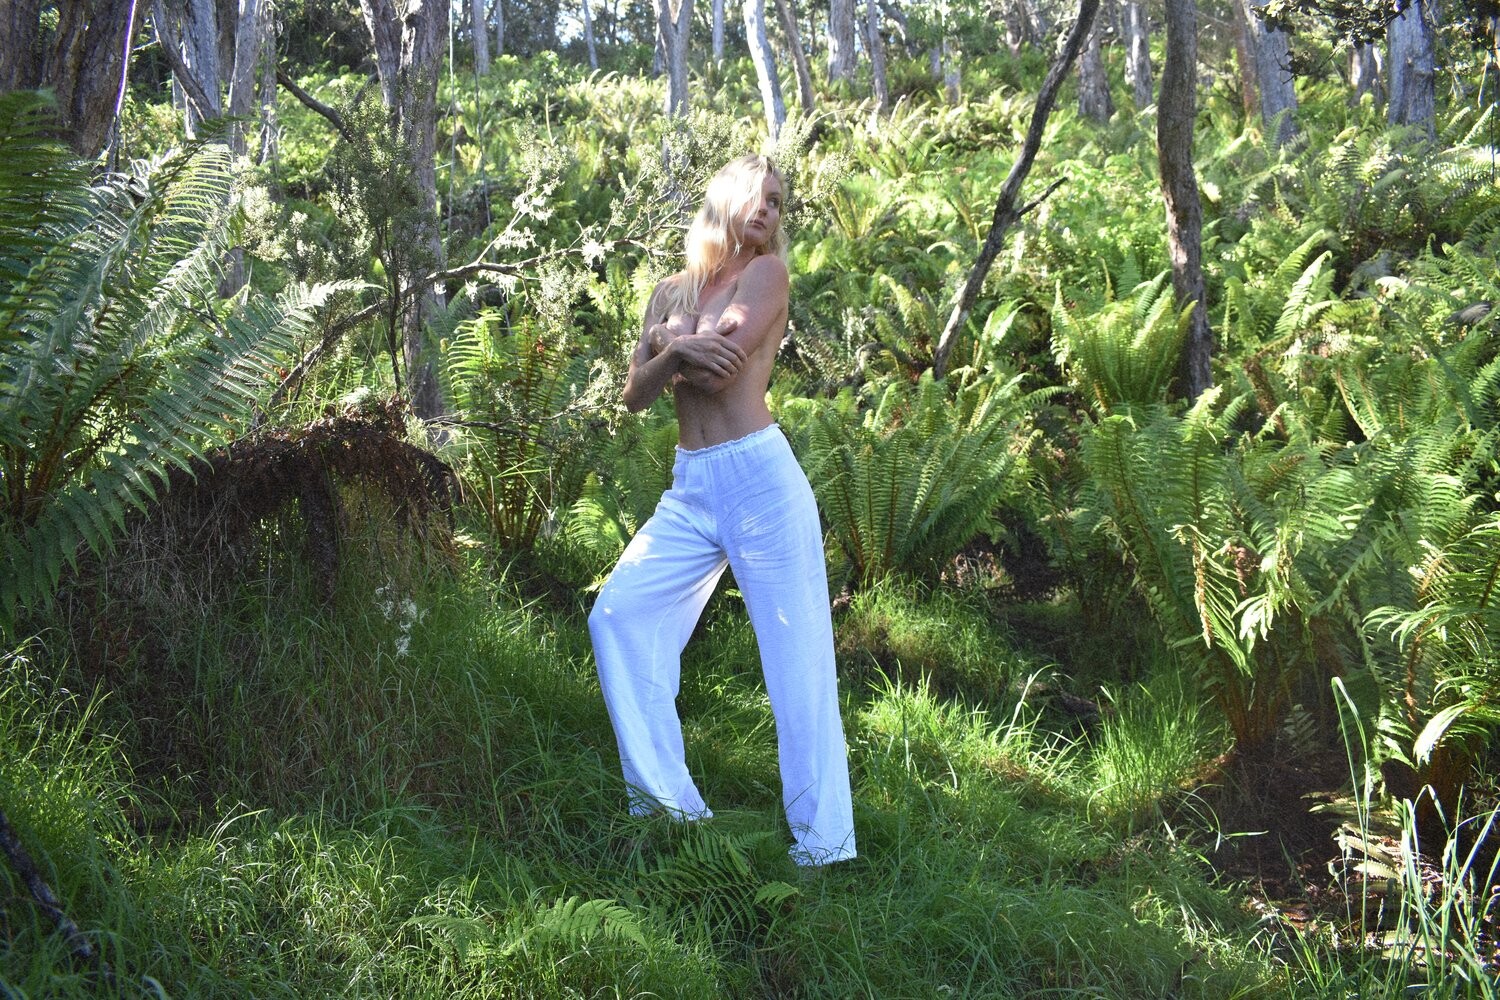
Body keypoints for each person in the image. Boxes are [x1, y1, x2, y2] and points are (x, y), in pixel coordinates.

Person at [588, 154, 857, 867]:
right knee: (618, 617)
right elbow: (635, 395)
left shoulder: (765, 275)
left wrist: (666, 345)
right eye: (758, 195)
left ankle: (824, 847)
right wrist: (674, 348)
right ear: (725, 199)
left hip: (759, 478)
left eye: (778, 201)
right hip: (691, 485)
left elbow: (721, 366)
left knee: (797, 663)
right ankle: (669, 810)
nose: (768, 209)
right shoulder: (669, 290)